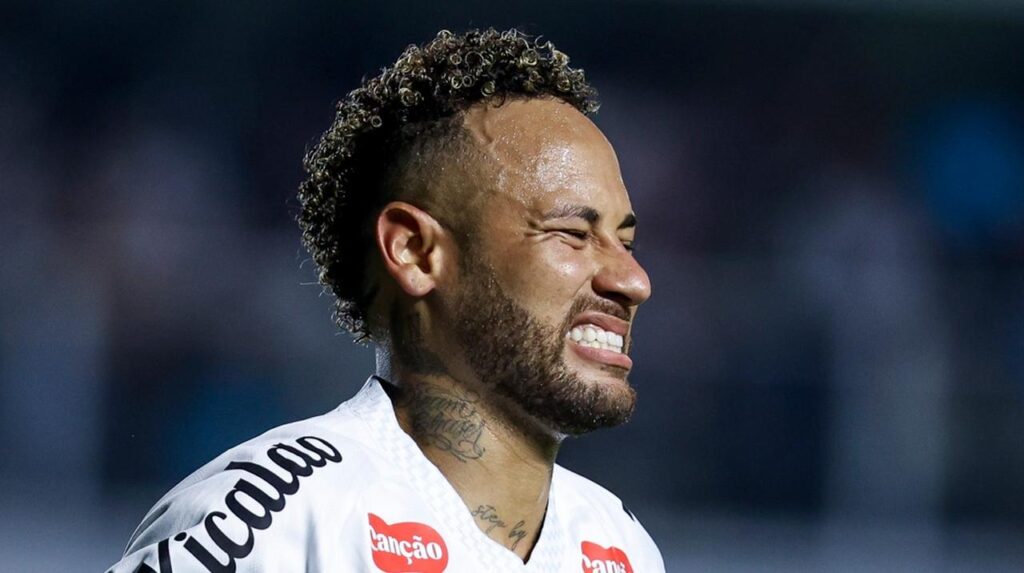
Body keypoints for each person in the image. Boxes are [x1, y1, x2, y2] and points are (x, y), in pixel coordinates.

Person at [108, 28, 663, 573]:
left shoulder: (620, 544)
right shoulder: (276, 520)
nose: (633, 280)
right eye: (572, 234)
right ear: (415, 252)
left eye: (627, 242)